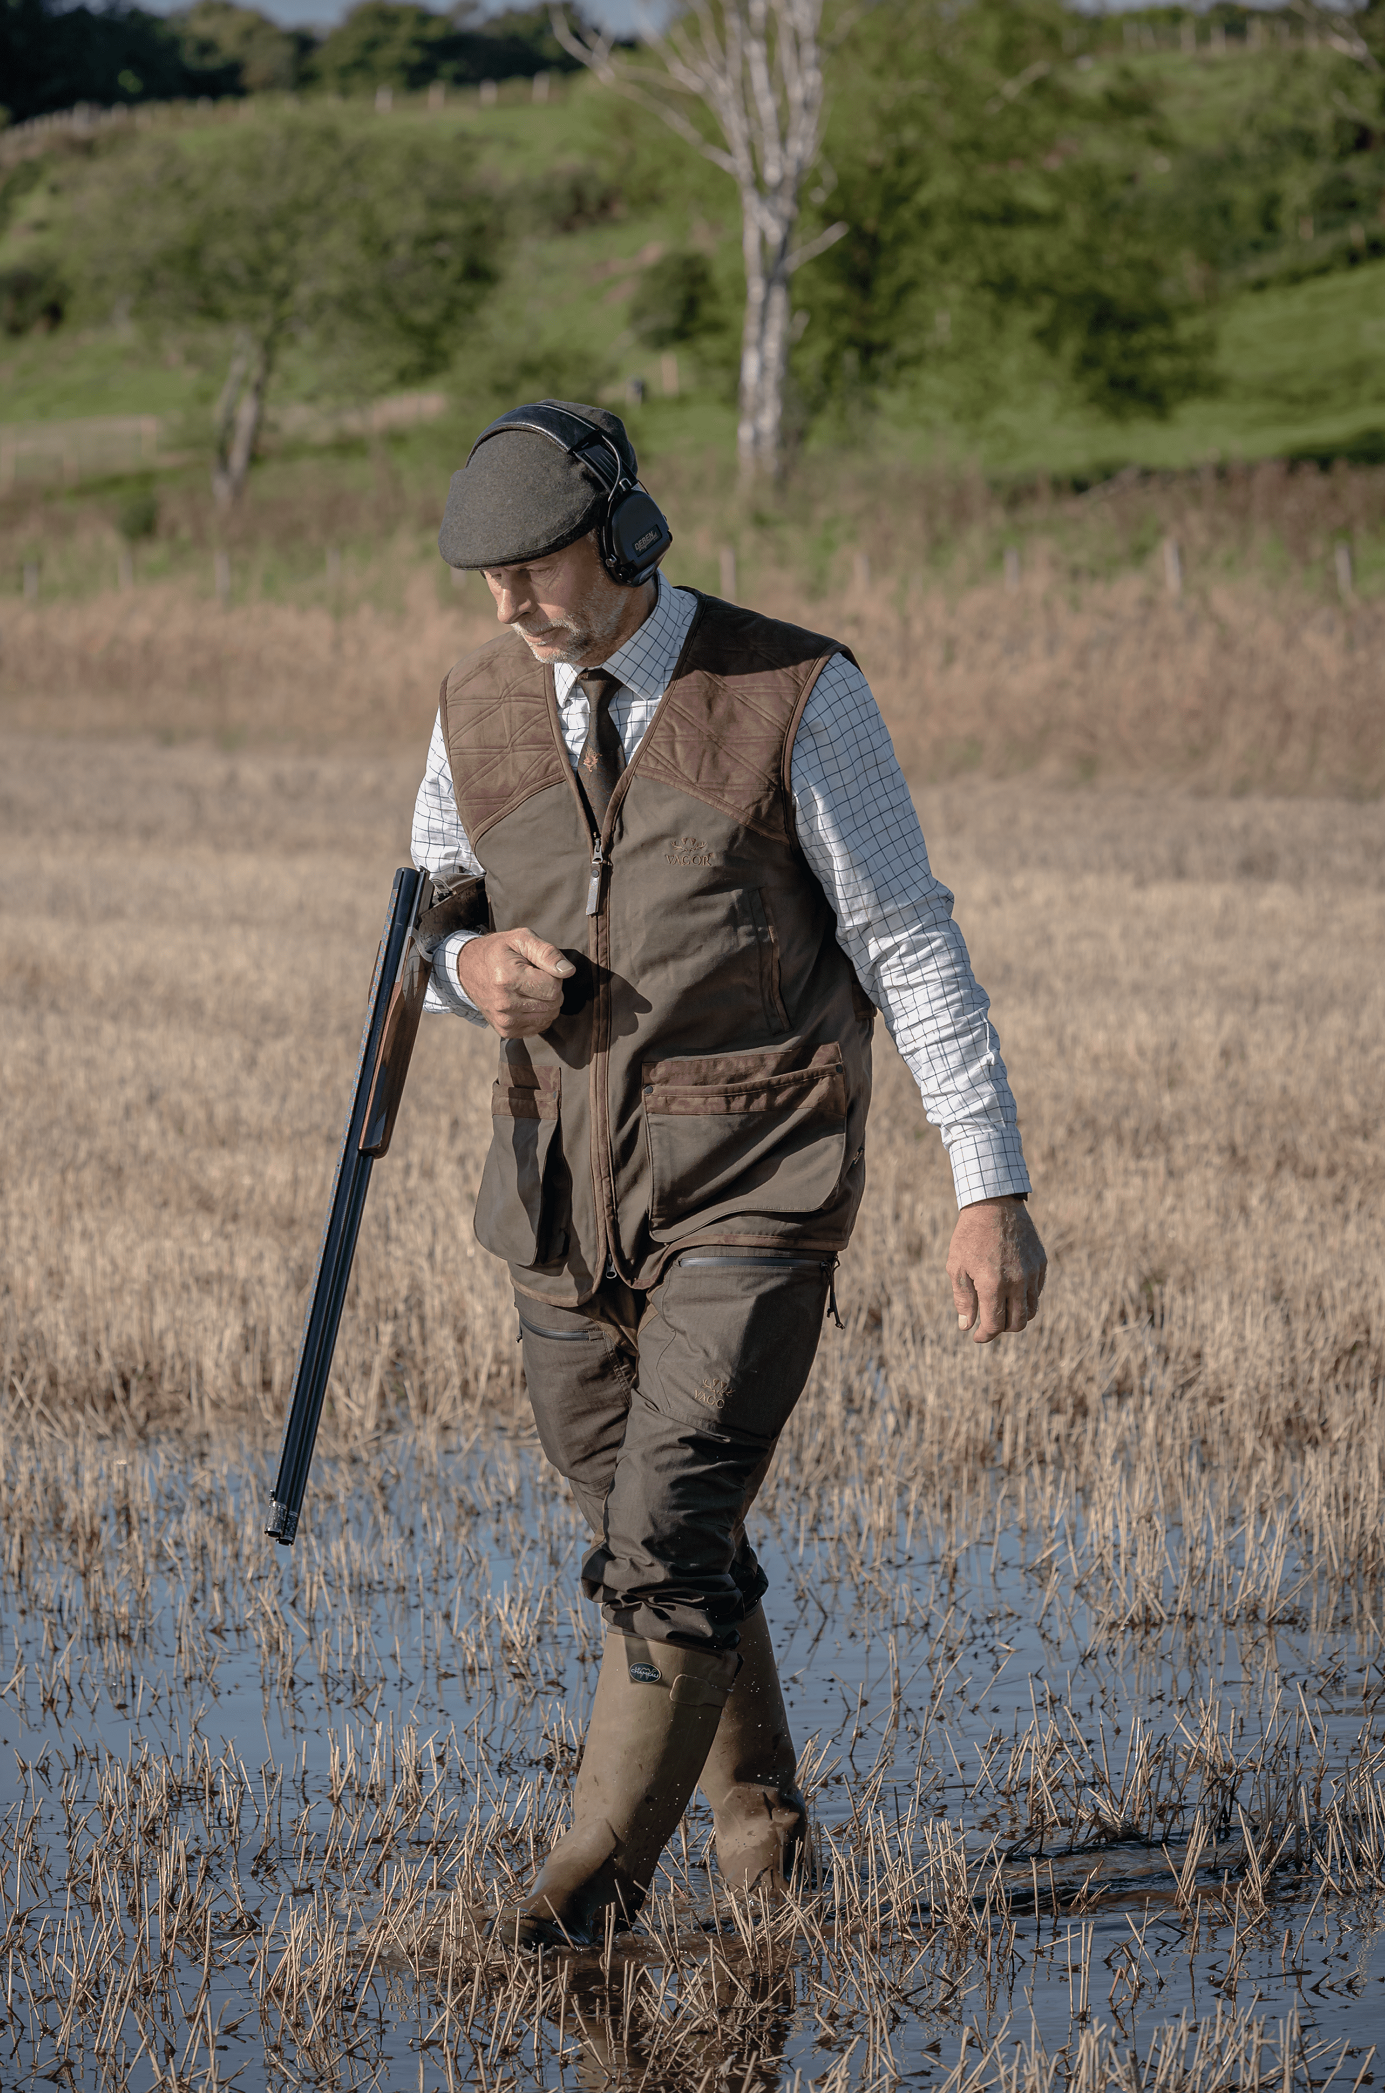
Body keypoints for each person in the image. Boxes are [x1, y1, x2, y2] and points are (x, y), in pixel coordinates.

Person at [412, 400, 1046, 1949]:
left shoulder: (792, 691)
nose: (510, 606)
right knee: (657, 1532)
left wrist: (989, 1183)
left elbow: (905, 938)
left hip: (754, 1179)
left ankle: (585, 1896)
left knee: (668, 1533)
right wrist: (473, 963)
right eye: (483, 578)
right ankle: (766, 1848)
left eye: (536, 567)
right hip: (555, 1199)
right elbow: (420, 928)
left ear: (626, 536)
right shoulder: (473, 707)